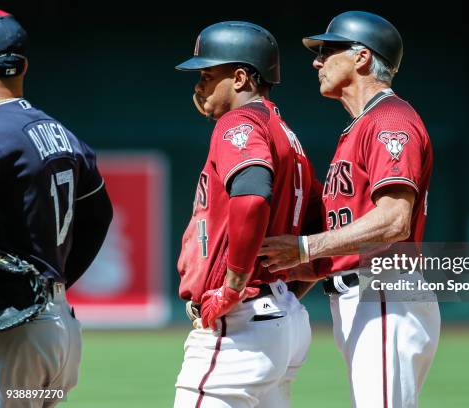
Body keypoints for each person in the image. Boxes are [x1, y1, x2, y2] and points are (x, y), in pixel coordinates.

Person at [259, 11, 441, 408]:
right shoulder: (360, 126)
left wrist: (305, 247)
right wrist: (294, 275)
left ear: (361, 58)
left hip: (384, 293)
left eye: (328, 50)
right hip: (361, 296)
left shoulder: (390, 119)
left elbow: (394, 220)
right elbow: (342, 243)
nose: (316, 61)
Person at [173, 21, 321, 408]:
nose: (199, 86)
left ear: (240, 78)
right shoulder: (286, 134)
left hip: (240, 325)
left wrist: (234, 284)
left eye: (207, 75)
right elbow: (319, 228)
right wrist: (283, 294)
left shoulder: (239, 122)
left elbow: (252, 196)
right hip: (280, 317)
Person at [0, 10, 113, 407]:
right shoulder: (63, 134)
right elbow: (100, 216)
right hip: (59, 334)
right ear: (23, 65)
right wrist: (54, 284)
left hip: (15, 336)